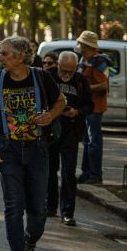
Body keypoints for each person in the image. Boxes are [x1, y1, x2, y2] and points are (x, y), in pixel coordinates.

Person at [0, 35, 64, 251]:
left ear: (19, 56)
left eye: (4, 53)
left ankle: (30, 241)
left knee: (38, 210)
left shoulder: (41, 77)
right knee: (13, 206)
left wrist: (50, 116)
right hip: (8, 150)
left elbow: (60, 101)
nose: (0, 58)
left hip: (37, 148)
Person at [47, 51, 92, 226]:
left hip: (71, 131)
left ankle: (67, 212)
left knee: (68, 172)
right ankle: (50, 206)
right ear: (57, 65)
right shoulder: (49, 77)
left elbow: (90, 105)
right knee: (50, 170)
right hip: (51, 130)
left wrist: (77, 112)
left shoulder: (80, 81)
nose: (66, 75)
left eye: (70, 71)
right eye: (63, 70)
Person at [76, 30, 109, 184]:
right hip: (86, 107)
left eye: (81, 43)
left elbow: (104, 85)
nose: (79, 45)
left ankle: (96, 175)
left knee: (94, 141)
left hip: (95, 108)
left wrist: (86, 88)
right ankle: (86, 173)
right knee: (88, 141)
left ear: (86, 45)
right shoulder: (85, 60)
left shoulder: (98, 62)